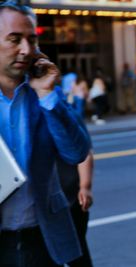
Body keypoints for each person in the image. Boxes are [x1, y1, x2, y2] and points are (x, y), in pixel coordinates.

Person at [0, 2, 91, 267]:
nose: (26, 50)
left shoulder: (47, 94)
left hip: (45, 239)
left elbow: (76, 152)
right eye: (15, 40)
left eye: (32, 39)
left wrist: (47, 95)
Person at [57, 151, 94, 267]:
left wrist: (85, 187)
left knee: (77, 254)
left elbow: (84, 153)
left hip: (70, 203)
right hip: (37, 206)